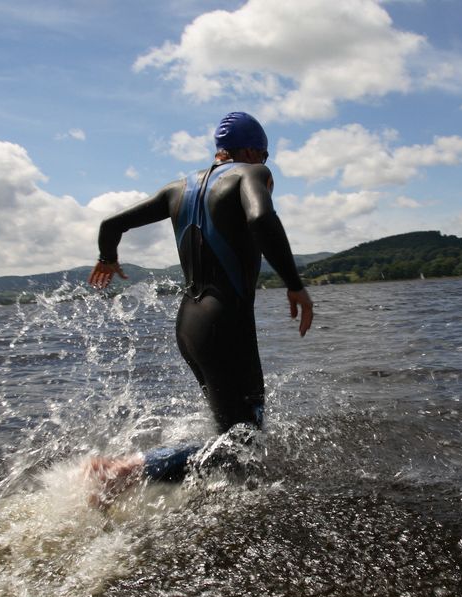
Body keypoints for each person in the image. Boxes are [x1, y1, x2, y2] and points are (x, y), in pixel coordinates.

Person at [85, 112, 313, 505]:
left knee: (231, 436)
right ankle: (125, 470)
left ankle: (193, 497)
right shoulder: (251, 174)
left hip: (189, 325)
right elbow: (261, 216)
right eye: (265, 154)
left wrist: (107, 258)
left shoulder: (178, 187)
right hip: (225, 324)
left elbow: (111, 224)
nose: (265, 162)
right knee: (245, 442)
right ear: (252, 150)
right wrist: (295, 285)